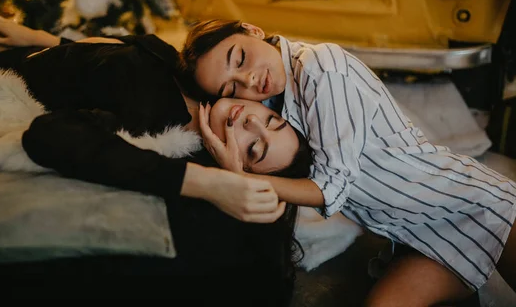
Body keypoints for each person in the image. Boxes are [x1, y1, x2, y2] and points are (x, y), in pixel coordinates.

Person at [0, 0, 314, 304]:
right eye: (270, 120)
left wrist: (226, 182)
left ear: (245, 170)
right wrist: (41, 38)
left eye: (255, 148)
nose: (248, 121)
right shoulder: (201, 80)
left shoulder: (162, 133)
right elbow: (129, 48)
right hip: (18, 52)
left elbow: (267, 284)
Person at [178, 18, 516, 306]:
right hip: (415, 237)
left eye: (240, 58)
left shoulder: (320, 67)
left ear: (252, 30)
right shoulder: (274, 98)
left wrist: (236, 181)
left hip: (471, 203)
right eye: (231, 87)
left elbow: (330, 187)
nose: (249, 80)